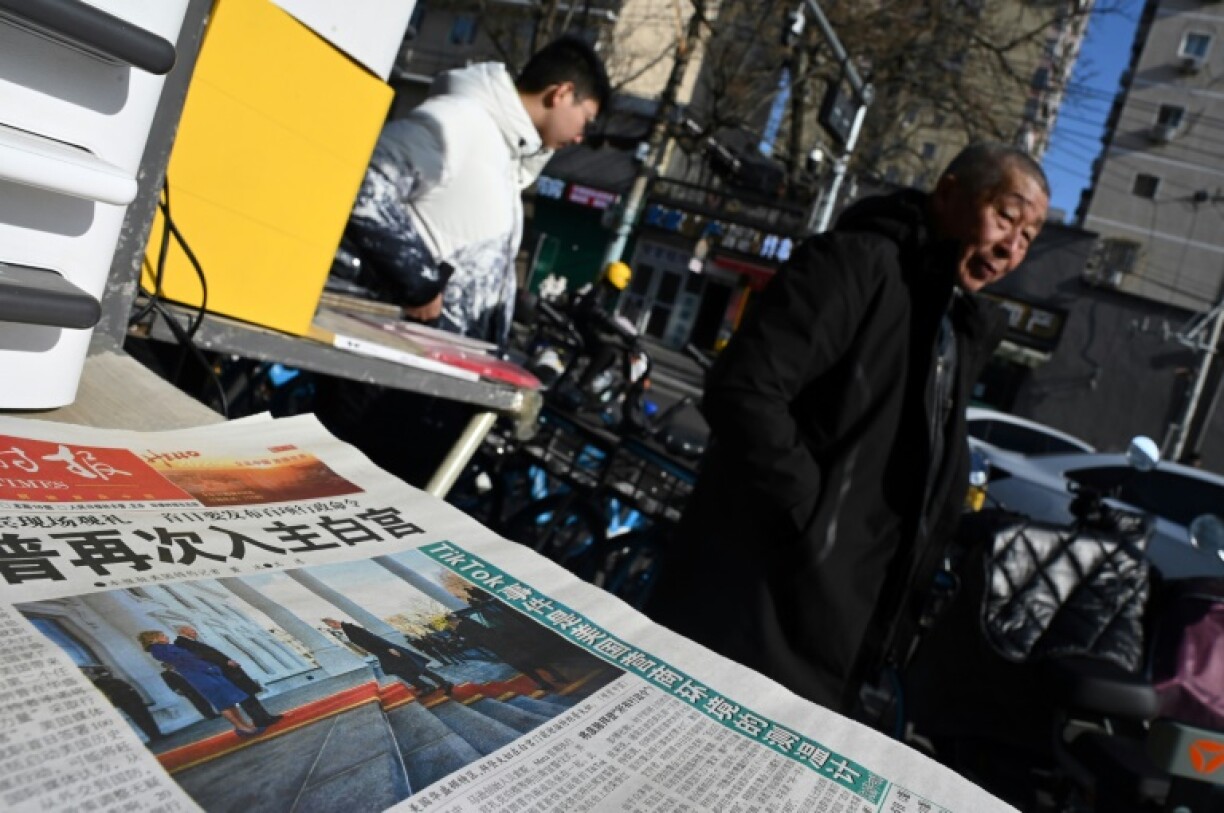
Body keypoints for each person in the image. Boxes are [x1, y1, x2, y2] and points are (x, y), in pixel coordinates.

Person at [645, 142, 1050, 715]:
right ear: (949, 193)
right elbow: (747, 390)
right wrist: (814, 525)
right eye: (1006, 216)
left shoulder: (954, 328)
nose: (1011, 247)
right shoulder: (857, 264)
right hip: (759, 607)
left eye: (1029, 237)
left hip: (839, 632)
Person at [315, 35, 610, 487]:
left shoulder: (506, 156)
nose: (581, 136)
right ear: (561, 93)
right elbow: (366, 180)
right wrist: (418, 281)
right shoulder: (461, 122)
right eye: (585, 118)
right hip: (387, 384)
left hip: (424, 387)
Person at [138, 631, 265, 738]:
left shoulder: (166, 648)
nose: (166, 637)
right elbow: (186, 661)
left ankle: (244, 725)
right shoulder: (159, 650)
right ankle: (240, 727)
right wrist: (206, 668)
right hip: (200, 675)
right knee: (222, 702)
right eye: (162, 635)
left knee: (229, 700)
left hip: (207, 672)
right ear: (153, 639)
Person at [173, 625, 282, 727]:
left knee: (248, 694)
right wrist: (225, 663)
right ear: (183, 631)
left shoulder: (189, 642)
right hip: (225, 671)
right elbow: (204, 657)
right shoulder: (182, 643)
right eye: (191, 630)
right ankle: (261, 719)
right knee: (245, 695)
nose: (194, 631)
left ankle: (264, 717)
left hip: (228, 670)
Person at [322, 618, 453, 696]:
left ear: (333, 622)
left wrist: (389, 648)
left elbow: (371, 638)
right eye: (329, 625)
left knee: (407, 668)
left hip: (386, 650)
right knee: (410, 668)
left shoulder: (350, 628)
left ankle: (430, 686)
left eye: (330, 624)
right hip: (383, 651)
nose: (331, 626)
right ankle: (436, 684)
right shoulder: (348, 629)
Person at [570, 260, 638, 397]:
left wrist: (614, 328)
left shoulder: (603, 291)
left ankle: (586, 379)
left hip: (584, 329)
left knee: (612, 350)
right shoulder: (600, 291)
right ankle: (582, 385)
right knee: (608, 351)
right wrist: (621, 331)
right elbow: (597, 313)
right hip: (581, 331)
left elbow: (600, 316)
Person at [85, 666, 162, 742]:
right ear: (100, 675)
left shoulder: (116, 680)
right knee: (141, 720)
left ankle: (158, 735)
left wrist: (140, 700)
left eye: (108, 673)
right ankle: (154, 737)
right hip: (127, 704)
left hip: (136, 702)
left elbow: (131, 690)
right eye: (105, 673)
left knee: (147, 718)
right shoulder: (101, 683)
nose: (109, 674)